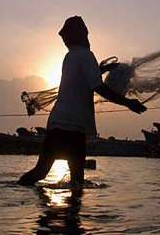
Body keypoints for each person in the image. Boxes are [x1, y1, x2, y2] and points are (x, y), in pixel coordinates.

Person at [18, 16, 147, 186]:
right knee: (77, 182)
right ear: (82, 34)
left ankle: (15, 189)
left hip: (56, 125)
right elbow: (98, 87)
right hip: (74, 128)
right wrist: (128, 103)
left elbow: (80, 79)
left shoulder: (70, 56)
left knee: (41, 172)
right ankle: (73, 212)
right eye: (85, 34)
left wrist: (101, 69)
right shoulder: (86, 56)